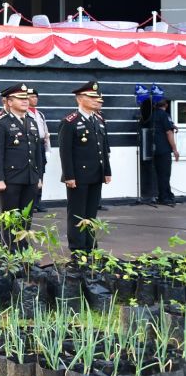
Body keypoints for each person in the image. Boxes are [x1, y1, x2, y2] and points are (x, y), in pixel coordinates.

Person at [58, 81, 112, 254]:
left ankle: (90, 245)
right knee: (77, 214)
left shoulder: (99, 119)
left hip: (96, 174)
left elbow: (103, 148)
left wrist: (107, 171)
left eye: (98, 97)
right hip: (78, 176)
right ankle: (77, 248)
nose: (98, 100)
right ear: (80, 99)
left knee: (91, 213)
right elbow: (65, 152)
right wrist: (69, 176)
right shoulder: (70, 121)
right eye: (92, 97)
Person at [0, 84, 42, 248]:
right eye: (21, 98)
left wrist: (38, 176)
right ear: (9, 102)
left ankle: (23, 252)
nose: (25, 101)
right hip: (10, 180)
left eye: (26, 98)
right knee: (10, 219)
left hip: (29, 178)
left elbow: (37, 152)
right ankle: (10, 255)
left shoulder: (31, 122)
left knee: (26, 219)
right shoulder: (1, 123)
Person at [151, 99, 179, 206]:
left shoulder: (153, 115)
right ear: (166, 105)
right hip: (164, 149)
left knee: (160, 174)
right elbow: (168, 133)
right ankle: (164, 197)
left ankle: (166, 194)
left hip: (155, 149)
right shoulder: (164, 115)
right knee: (165, 174)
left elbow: (163, 127)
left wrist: (172, 126)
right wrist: (175, 150)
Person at [27, 88, 51, 212]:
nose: (34, 99)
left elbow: (45, 131)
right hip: (30, 145)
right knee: (31, 173)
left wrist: (47, 147)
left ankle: (37, 202)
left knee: (40, 173)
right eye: (31, 96)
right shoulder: (25, 113)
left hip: (40, 145)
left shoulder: (40, 114)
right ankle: (30, 203)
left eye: (36, 97)